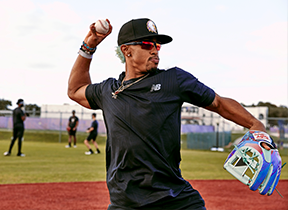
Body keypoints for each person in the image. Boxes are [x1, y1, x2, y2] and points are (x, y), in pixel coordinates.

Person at [67, 18, 267, 209]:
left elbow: (219, 103)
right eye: (147, 44)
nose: (155, 50)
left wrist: (256, 126)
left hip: (175, 199)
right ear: (126, 51)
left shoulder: (174, 80)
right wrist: (89, 44)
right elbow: (75, 90)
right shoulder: (107, 91)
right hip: (126, 203)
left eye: (158, 46)